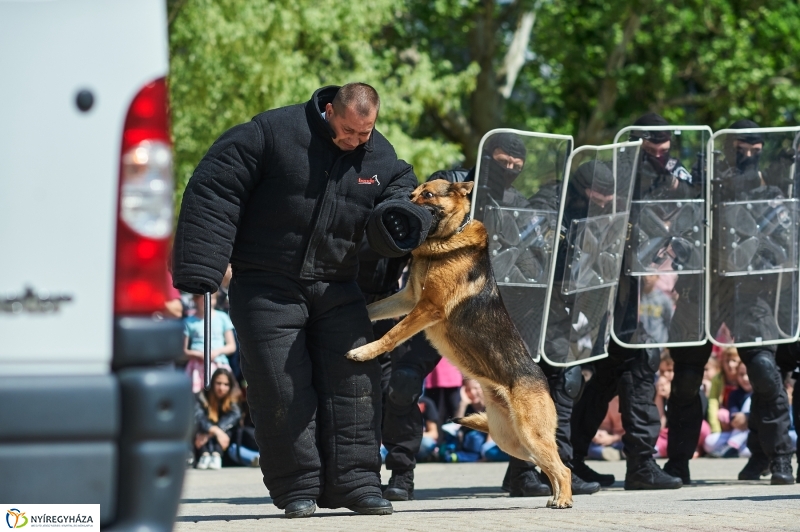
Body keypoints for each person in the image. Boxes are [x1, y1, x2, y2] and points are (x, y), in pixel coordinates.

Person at [172, 83, 433, 518]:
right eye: (349, 131)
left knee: (356, 383)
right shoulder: (271, 132)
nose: (357, 141)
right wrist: (202, 267)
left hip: (338, 285)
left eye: (365, 133)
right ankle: (298, 488)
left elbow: (403, 193)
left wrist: (402, 220)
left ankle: (358, 485)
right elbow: (216, 187)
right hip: (266, 284)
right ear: (329, 110)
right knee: (280, 386)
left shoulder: (380, 157)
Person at [571, 113, 687, 491]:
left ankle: (633, 463)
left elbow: (684, 216)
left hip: (640, 295)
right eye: (651, 151)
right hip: (607, 295)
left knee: (622, 375)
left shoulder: (671, 174)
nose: (658, 157)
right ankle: (580, 462)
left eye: (664, 150)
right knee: (617, 376)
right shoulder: (612, 173)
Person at [707, 120, 795, 484]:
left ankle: (760, 454)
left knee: (774, 377)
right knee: (761, 370)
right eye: (741, 148)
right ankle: (781, 459)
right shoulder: (713, 190)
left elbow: (789, 241)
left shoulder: (775, 193)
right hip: (737, 296)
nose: (748, 155)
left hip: (782, 295)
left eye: (755, 148)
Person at [183, 292, 236, 394]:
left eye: (211, 299)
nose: (207, 302)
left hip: (219, 364)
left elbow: (232, 346)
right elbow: (183, 351)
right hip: (197, 367)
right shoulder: (188, 321)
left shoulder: (222, 317)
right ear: (195, 299)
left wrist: (216, 352)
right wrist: (198, 354)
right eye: (203, 299)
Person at [194, 368, 242, 470]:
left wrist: (216, 431)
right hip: (201, 438)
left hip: (224, 443)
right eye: (218, 383)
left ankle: (216, 455)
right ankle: (205, 455)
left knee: (228, 430)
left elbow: (234, 417)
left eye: (226, 384)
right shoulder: (201, 396)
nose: (221, 388)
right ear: (212, 383)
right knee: (201, 428)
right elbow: (198, 417)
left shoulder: (233, 399)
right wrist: (215, 431)